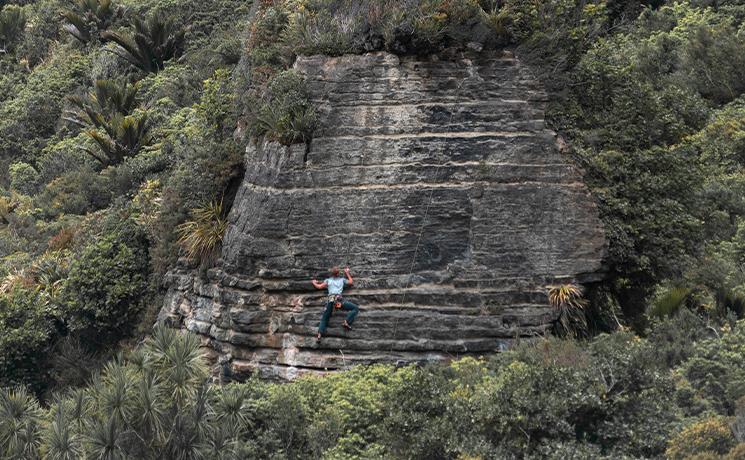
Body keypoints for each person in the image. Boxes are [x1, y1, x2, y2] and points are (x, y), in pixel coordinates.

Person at [312, 266, 359, 340]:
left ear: (331, 274)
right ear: (338, 274)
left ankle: (319, 335)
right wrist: (347, 273)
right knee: (355, 308)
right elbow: (351, 282)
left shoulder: (328, 280)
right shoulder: (342, 280)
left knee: (325, 318)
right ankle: (346, 321)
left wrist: (314, 283)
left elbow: (319, 286)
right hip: (339, 300)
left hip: (331, 300)